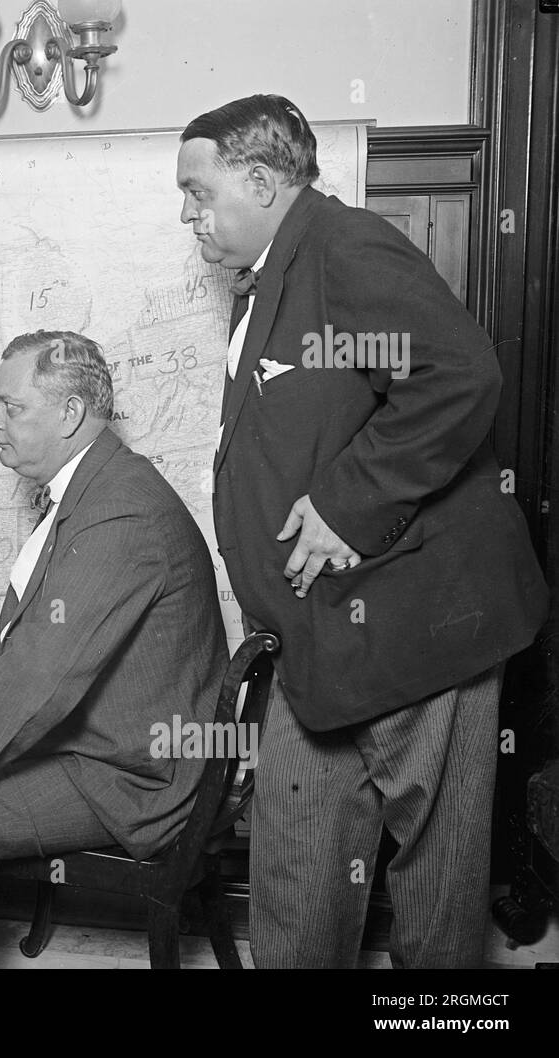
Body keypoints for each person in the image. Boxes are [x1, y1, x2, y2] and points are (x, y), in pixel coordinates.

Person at [176, 94, 548, 967]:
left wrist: (347, 505)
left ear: (261, 181)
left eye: (197, 192)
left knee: (435, 888)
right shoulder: (273, 270)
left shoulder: (342, 248)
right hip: (320, 637)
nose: (186, 213)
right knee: (298, 866)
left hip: (418, 627)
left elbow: (456, 373)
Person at [0, 331, 227, 968]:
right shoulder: (96, 483)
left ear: (70, 413)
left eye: (11, 407)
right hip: (116, 729)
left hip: (134, 773)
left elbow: (46, 673)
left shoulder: (120, 513)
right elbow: (40, 653)